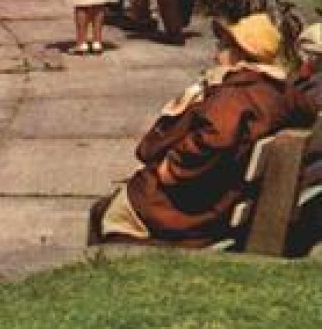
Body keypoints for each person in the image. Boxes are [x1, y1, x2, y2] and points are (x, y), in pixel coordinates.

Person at [95, 14, 310, 245]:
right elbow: (308, 109)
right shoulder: (279, 92)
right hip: (218, 200)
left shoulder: (234, 97)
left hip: (182, 210)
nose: (215, 54)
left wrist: (171, 167)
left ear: (240, 53)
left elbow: (217, 136)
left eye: (223, 46)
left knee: (104, 212)